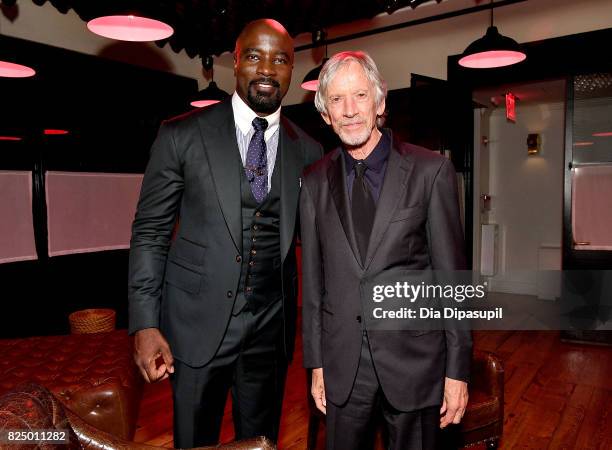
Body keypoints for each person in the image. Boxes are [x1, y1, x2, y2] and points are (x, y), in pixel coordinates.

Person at [128, 19, 323, 448]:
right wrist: (144, 323)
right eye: (254, 56)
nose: (267, 69)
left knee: (260, 443)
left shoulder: (309, 150)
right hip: (195, 327)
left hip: (271, 334)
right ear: (235, 63)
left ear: (291, 69)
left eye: (280, 59)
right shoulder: (181, 135)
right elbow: (150, 233)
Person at [300, 51, 472, 450]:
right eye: (337, 101)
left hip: (416, 362)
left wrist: (458, 371)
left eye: (360, 95)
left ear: (380, 103)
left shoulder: (431, 172)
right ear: (325, 114)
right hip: (343, 365)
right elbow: (314, 285)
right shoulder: (312, 182)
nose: (349, 110)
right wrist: (317, 363)